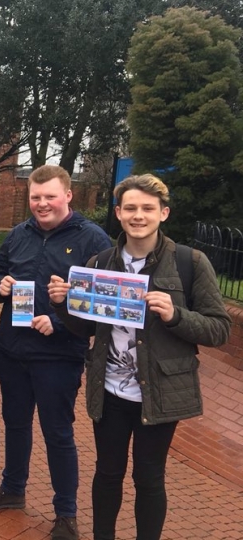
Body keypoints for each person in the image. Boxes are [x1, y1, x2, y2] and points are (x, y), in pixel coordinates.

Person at [48, 174, 230, 540]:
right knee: (107, 473)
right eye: (130, 207)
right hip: (110, 390)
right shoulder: (100, 262)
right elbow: (86, 330)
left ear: (164, 213)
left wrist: (175, 314)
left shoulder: (188, 262)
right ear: (118, 213)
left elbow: (219, 329)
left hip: (161, 390)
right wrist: (64, 305)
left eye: (148, 208)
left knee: (149, 477)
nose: (138, 215)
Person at [0, 164, 112, 540]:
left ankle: (66, 514)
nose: (42, 203)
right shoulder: (18, 234)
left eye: (50, 196)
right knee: (15, 424)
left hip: (58, 356)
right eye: (36, 197)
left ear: (68, 195)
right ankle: (12, 490)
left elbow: (102, 304)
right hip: (13, 350)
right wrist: (2, 285)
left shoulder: (93, 240)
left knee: (57, 433)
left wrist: (60, 322)